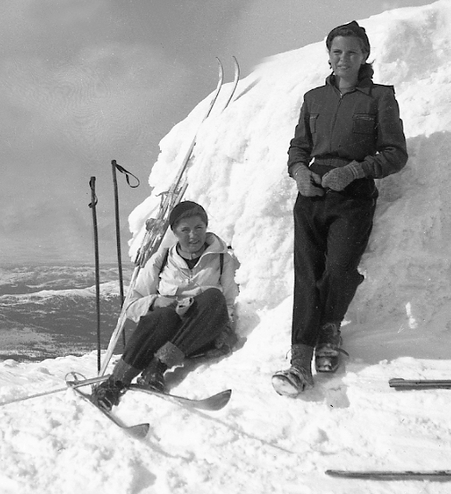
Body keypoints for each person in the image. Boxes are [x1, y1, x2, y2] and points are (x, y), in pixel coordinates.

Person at [273, 20, 409, 397]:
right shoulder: (314, 98)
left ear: (364, 55)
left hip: (353, 197)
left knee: (339, 269)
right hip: (312, 194)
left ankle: (330, 329)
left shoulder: (379, 97)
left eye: (351, 52)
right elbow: (298, 146)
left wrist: (355, 170)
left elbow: (395, 154)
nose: (343, 58)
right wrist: (299, 172)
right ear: (329, 56)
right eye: (337, 52)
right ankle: (300, 358)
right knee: (307, 273)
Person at [93, 200, 239, 410]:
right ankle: (115, 383)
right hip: (165, 333)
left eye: (199, 228)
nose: (193, 235)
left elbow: (228, 302)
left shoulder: (223, 259)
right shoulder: (161, 260)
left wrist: (226, 328)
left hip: (198, 336)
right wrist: (156, 302)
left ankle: (156, 368)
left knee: (213, 297)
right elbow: (131, 305)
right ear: (174, 232)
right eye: (185, 229)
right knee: (163, 315)